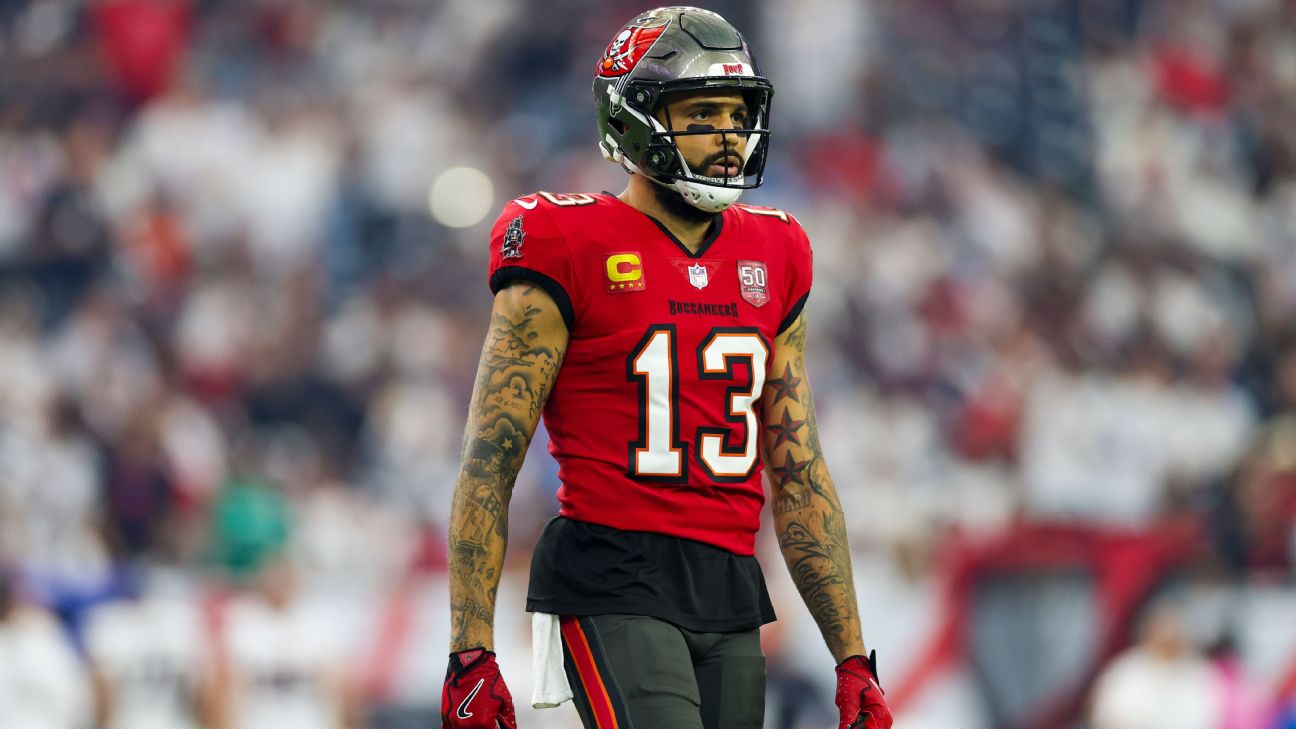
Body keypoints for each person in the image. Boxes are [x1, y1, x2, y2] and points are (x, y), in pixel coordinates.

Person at [444, 7, 892, 729]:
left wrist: (852, 658)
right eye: (702, 112)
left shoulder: (777, 250)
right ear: (634, 119)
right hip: (611, 573)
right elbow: (489, 458)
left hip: (731, 582)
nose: (728, 134)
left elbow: (800, 471)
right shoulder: (564, 237)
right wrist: (470, 648)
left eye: (737, 113)